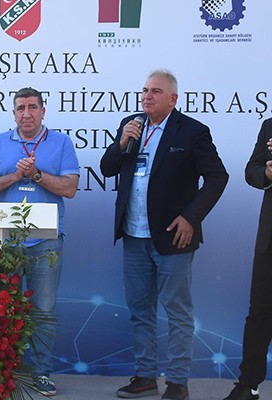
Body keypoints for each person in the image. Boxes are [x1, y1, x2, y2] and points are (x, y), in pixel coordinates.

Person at [100, 69, 228, 400]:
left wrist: (191, 217)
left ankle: (177, 382)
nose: (147, 96)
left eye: (155, 91)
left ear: (173, 98)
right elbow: (107, 168)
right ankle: (145, 376)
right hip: (134, 235)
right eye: (144, 90)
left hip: (173, 237)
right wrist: (122, 142)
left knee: (177, 312)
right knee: (140, 311)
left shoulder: (193, 131)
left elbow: (217, 177)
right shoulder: (131, 125)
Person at [0, 87, 79, 396]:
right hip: (5, 242)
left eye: (32, 107)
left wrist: (36, 175)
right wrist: (15, 175)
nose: (27, 113)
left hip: (46, 243)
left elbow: (70, 188)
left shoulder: (61, 142)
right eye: (20, 108)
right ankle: (3, 373)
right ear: (14, 113)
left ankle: (41, 373)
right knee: (2, 308)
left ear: (43, 111)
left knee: (43, 311)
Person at [223, 119, 272, 400]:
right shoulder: (270, 126)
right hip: (270, 240)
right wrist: (266, 172)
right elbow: (251, 170)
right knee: (260, 313)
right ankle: (248, 385)